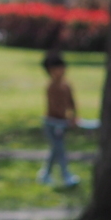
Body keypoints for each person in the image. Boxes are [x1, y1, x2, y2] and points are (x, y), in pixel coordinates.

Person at [38, 52, 80, 187]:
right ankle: (66, 176)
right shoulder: (51, 87)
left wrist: (73, 116)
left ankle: (45, 175)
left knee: (55, 151)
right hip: (52, 123)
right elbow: (54, 107)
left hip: (62, 123)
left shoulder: (67, 85)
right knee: (60, 151)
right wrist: (65, 119)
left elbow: (72, 103)